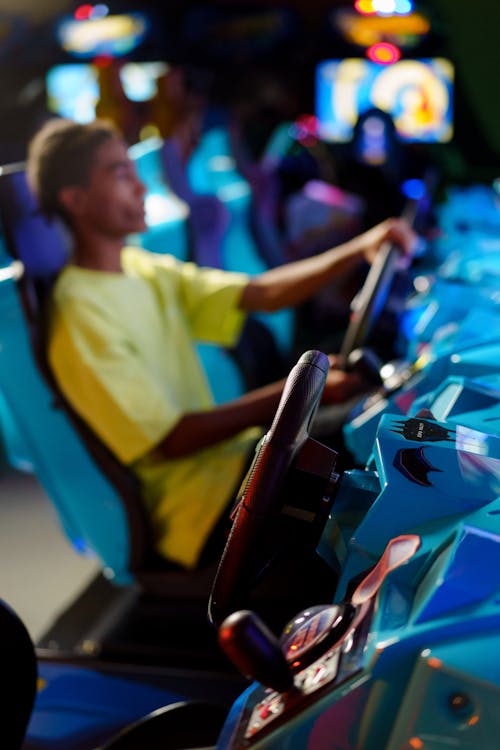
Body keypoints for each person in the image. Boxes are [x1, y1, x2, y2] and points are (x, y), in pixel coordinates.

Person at [26, 117, 417, 570]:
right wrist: (296, 393)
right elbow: (170, 440)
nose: (140, 186)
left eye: (135, 171)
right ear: (75, 200)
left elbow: (260, 293)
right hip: (202, 508)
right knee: (380, 496)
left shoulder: (141, 267)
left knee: (386, 433)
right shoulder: (78, 312)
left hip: (241, 462)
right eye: (119, 174)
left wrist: (360, 248)